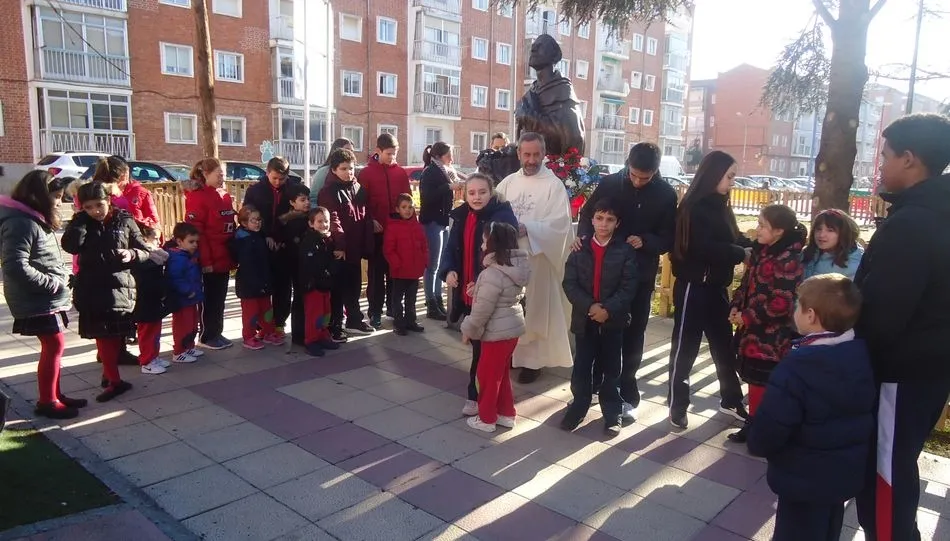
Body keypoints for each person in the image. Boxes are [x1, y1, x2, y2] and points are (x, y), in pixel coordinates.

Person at [853, 113, 950, 541]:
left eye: (885, 156)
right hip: (928, 370)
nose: (880, 166)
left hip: (899, 373)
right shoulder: (935, 213)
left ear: (910, 160)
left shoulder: (912, 225)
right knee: (896, 464)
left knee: (885, 477)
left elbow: (882, 315)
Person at [747, 274, 875, 541]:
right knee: (827, 530)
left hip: (802, 476)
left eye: (798, 306)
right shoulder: (860, 356)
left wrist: (757, 443)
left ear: (811, 316)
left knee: (796, 532)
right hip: (841, 473)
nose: (795, 310)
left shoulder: (799, 367)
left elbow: (773, 423)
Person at [574, 142, 677, 421]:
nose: (638, 181)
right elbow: (587, 216)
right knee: (597, 330)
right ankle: (596, 384)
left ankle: (627, 390)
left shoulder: (666, 194)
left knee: (633, 334)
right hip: (603, 273)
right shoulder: (610, 183)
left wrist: (646, 241)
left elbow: (669, 236)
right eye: (633, 175)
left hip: (639, 276)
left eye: (645, 177)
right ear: (627, 164)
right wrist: (583, 238)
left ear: (656, 171)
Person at [667, 150, 751, 429]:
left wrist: (756, 243)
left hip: (716, 287)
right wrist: (740, 253)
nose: (733, 182)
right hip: (694, 286)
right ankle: (678, 404)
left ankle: (731, 400)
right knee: (685, 348)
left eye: (734, 176)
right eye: (729, 176)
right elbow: (702, 248)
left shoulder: (722, 206)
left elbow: (733, 237)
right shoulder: (692, 207)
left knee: (723, 347)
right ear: (714, 174)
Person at [62, 182, 167, 402]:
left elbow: (142, 248)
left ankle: (111, 376)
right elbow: (71, 246)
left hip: (120, 285)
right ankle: (113, 379)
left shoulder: (124, 219)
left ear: (108, 200)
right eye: (88, 207)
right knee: (102, 336)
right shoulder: (82, 222)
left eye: (99, 205)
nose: (95, 211)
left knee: (114, 335)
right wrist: (80, 221)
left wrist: (132, 254)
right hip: (91, 286)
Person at [0, 172, 84, 418]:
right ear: (39, 196)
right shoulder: (21, 222)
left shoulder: (33, 218)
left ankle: (55, 394)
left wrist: (61, 277)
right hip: (37, 298)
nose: (59, 202)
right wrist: (52, 284)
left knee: (55, 346)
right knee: (53, 345)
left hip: (46, 296)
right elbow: (15, 266)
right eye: (56, 197)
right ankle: (47, 401)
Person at [496, 132, 575, 384]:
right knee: (510, 308)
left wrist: (528, 228)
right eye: (526, 154)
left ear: (544, 154)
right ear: (519, 154)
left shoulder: (553, 186)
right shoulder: (508, 183)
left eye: (536, 154)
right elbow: (493, 210)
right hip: (509, 259)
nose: (531, 160)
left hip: (538, 259)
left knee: (536, 310)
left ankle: (533, 361)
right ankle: (511, 354)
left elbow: (561, 225)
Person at [727, 204, 806, 443]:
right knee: (753, 380)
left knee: (766, 383)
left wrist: (748, 316)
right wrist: (736, 306)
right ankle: (754, 424)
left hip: (772, 337)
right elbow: (746, 284)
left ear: (779, 231)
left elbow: (782, 302)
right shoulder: (761, 251)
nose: (757, 229)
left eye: (763, 225)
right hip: (751, 332)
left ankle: (765, 430)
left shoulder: (789, 259)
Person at [441, 174, 518, 416]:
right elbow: (452, 247)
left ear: (491, 192)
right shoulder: (462, 215)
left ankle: (478, 399)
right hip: (468, 293)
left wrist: (482, 283)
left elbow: (503, 258)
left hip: (487, 296)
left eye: (482, 192)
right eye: (471, 193)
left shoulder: (501, 218)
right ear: (465, 194)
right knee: (480, 352)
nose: (476, 197)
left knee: (482, 354)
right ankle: (495, 403)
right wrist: (449, 270)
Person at [561, 198, 638, 435]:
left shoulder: (625, 251)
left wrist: (607, 310)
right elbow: (570, 283)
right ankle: (579, 407)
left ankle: (612, 412)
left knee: (612, 368)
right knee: (582, 366)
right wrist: (590, 307)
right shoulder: (579, 248)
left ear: (617, 223)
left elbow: (629, 286)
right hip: (585, 320)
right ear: (592, 220)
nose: (603, 224)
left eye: (610, 220)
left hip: (612, 321)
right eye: (599, 218)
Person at [461, 222, 529, 433]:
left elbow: (481, 312)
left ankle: (487, 418)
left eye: (484, 241)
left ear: (493, 244)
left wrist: (468, 330)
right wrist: (479, 290)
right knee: (501, 373)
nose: (482, 245)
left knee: (487, 375)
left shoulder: (492, 273)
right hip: (511, 330)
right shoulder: (515, 269)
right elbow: (503, 295)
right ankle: (506, 413)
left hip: (495, 333)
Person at [318, 148, 376, 340]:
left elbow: (365, 215)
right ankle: (335, 325)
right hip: (340, 249)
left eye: (351, 168)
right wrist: (340, 245)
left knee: (354, 285)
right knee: (338, 289)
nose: (348, 172)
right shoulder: (328, 192)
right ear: (334, 170)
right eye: (343, 169)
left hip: (356, 246)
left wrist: (367, 243)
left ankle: (354, 319)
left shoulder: (358, 188)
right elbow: (333, 220)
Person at [242, 156, 298, 339]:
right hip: (261, 243)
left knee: (283, 286)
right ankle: (262, 324)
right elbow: (248, 216)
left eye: (282, 179)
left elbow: (298, 216)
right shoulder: (255, 190)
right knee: (264, 286)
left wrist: (283, 238)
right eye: (274, 178)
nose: (277, 182)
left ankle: (280, 322)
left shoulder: (293, 189)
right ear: (267, 173)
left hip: (285, 245)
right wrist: (265, 235)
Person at [359, 133, 411, 328]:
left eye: (395, 153)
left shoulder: (400, 173)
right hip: (377, 233)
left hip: (397, 231)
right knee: (376, 273)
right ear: (378, 151)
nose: (392, 157)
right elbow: (361, 204)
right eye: (389, 154)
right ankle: (374, 311)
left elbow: (407, 201)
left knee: (395, 271)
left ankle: (393, 307)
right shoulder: (366, 173)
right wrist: (370, 220)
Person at [185, 157, 236, 350]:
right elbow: (197, 233)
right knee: (210, 298)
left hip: (224, 254)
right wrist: (205, 260)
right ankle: (206, 335)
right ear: (206, 174)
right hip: (210, 257)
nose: (223, 178)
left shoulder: (223, 194)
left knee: (220, 298)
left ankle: (217, 331)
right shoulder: (197, 196)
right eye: (219, 174)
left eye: (224, 174)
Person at [231, 205, 281, 350]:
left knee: (267, 311)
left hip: (263, 281)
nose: (257, 223)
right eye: (253, 220)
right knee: (250, 314)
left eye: (259, 219)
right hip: (249, 284)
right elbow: (246, 264)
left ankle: (267, 332)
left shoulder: (259, 236)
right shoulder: (242, 240)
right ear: (244, 223)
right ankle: (249, 336)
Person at [419, 142, 458, 321]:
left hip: (443, 222)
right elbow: (427, 196)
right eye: (449, 155)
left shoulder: (445, 171)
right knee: (432, 265)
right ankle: (431, 303)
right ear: (439, 156)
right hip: (433, 222)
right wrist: (448, 187)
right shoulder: (430, 172)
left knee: (441, 263)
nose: (452, 159)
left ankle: (438, 299)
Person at [297, 207, 342, 357]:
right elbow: (310, 264)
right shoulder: (309, 241)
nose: (324, 224)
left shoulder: (327, 240)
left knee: (325, 313)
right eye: (320, 221)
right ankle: (311, 340)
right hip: (313, 285)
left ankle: (323, 335)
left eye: (326, 221)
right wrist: (325, 271)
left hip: (325, 284)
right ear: (311, 224)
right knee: (314, 314)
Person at [384, 193, 428, 336]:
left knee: (411, 299)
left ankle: (410, 321)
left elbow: (424, 246)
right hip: (400, 271)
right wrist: (396, 264)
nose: (408, 210)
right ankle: (399, 323)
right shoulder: (393, 227)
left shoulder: (417, 226)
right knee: (397, 299)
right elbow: (388, 249)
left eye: (410, 207)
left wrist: (424, 261)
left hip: (414, 270)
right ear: (397, 209)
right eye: (404, 207)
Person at [277, 183, 313, 346]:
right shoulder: (290, 221)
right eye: (302, 200)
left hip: (305, 264)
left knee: (305, 298)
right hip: (296, 265)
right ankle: (299, 335)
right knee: (299, 298)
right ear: (292, 202)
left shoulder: (308, 218)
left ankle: (308, 331)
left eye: (308, 199)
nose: (306, 203)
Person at [164, 222, 205, 364]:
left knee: (192, 324)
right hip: (183, 299)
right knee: (182, 326)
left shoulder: (188, 255)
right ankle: (179, 351)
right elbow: (175, 278)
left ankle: (189, 347)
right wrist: (188, 291)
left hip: (192, 297)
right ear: (179, 241)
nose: (195, 245)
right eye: (191, 242)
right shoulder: (177, 258)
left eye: (196, 242)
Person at [134, 226, 171, 375]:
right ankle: (147, 360)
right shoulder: (143, 259)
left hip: (154, 298)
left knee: (155, 331)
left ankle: (154, 356)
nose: (158, 242)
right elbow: (145, 282)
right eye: (155, 238)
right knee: (147, 332)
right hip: (145, 300)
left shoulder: (157, 256)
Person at [802, 209, 863, 280]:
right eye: (819, 229)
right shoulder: (809, 253)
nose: (821, 235)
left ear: (843, 233)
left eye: (830, 230)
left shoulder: (853, 264)